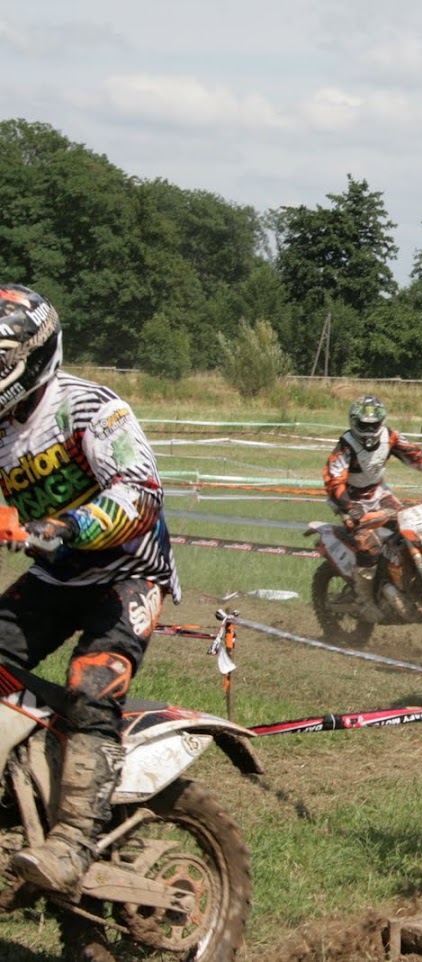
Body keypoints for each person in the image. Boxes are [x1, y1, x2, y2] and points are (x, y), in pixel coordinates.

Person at [0, 285, 180, 895]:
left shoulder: (92, 409)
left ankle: (73, 842)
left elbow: (140, 493)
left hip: (129, 572)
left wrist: (60, 524)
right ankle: (23, 780)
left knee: (92, 683)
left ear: (32, 352)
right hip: (57, 576)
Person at [323, 394, 422, 595]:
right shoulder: (346, 445)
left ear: (382, 422)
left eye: (374, 425)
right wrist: (350, 508)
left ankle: (397, 578)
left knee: (408, 528)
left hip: (378, 492)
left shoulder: (390, 436)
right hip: (349, 498)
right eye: (364, 425)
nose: (369, 430)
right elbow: (333, 480)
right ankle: (364, 597)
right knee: (367, 545)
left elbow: (414, 455)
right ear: (354, 422)